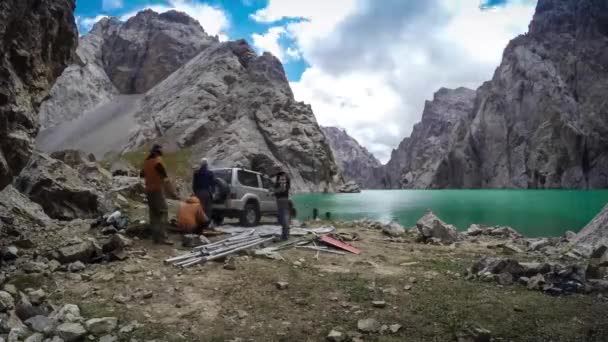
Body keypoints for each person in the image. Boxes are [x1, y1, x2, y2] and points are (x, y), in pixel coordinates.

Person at [140, 144, 175, 245]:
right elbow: (165, 178)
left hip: (148, 191)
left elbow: (141, 174)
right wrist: (173, 193)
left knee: (153, 213)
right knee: (163, 212)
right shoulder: (158, 162)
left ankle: (155, 238)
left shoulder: (147, 162)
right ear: (158, 152)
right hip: (157, 190)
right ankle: (163, 237)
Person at [192, 158, 215, 228]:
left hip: (198, 193)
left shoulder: (196, 173)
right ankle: (206, 225)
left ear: (201, 164)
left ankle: (198, 224)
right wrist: (213, 193)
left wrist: (196, 192)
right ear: (207, 164)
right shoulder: (210, 173)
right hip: (206, 192)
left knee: (199, 208)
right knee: (207, 209)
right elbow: (213, 184)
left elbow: (194, 185)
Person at [273, 168, 291, 241]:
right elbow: (275, 192)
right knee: (281, 220)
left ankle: (285, 236)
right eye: (281, 179)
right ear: (278, 179)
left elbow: (282, 189)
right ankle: (285, 234)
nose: (283, 180)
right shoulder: (277, 186)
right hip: (279, 205)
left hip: (284, 205)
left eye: (284, 179)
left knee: (285, 220)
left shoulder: (285, 186)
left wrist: (282, 183)